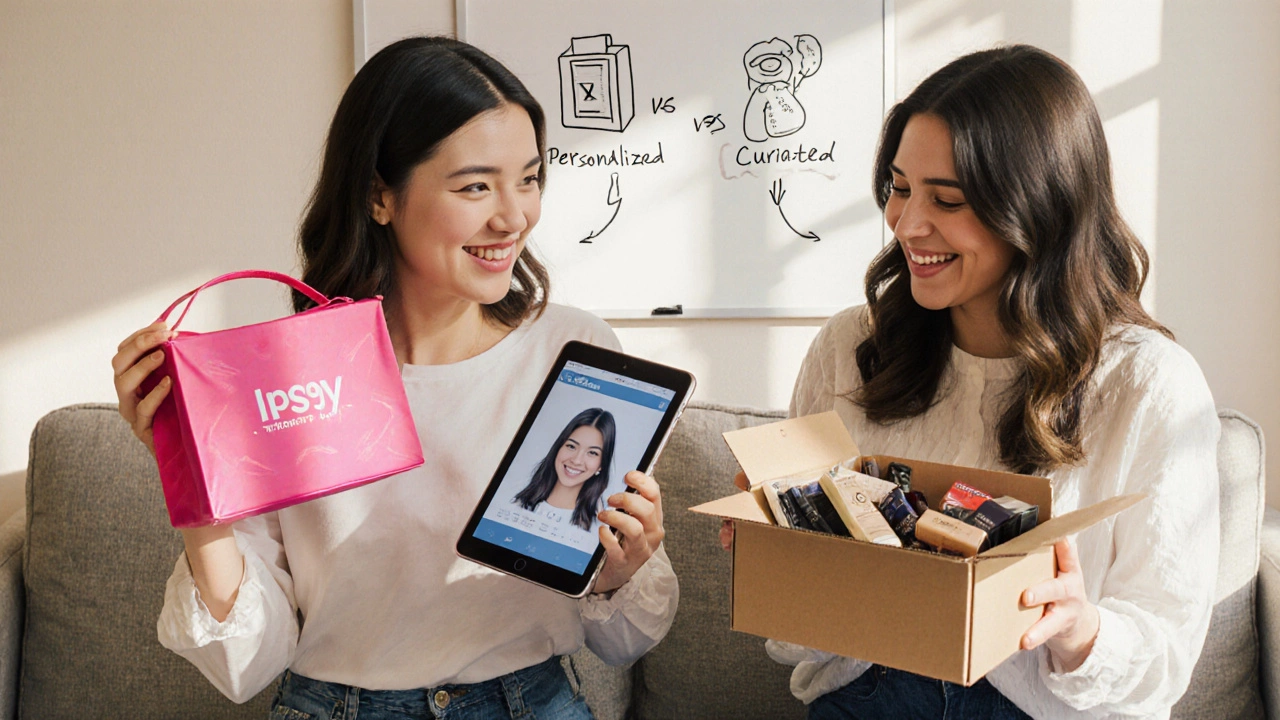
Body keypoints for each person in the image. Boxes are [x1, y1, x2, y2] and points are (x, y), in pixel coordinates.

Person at [110, 37, 677, 719]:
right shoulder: (285, 376)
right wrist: (193, 483)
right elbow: (247, 662)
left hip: (530, 701)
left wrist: (620, 571)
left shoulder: (573, 349)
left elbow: (624, 640)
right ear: (380, 196)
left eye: (528, 178)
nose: (514, 215)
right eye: (475, 185)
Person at [723, 45, 1219, 719]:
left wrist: (1080, 632)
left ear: (1038, 207)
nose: (906, 225)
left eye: (946, 199)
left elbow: (1166, 658)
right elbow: (794, 644)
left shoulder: (1147, 385)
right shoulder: (850, 349)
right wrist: (780, 561)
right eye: (898, 187)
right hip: (868, 696)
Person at [514, 408, 617, 532]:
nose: (577, 460)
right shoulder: (519, 503)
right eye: (571, 446)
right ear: (558, 447)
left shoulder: (602, 525)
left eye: (592, 453)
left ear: (602, 464)